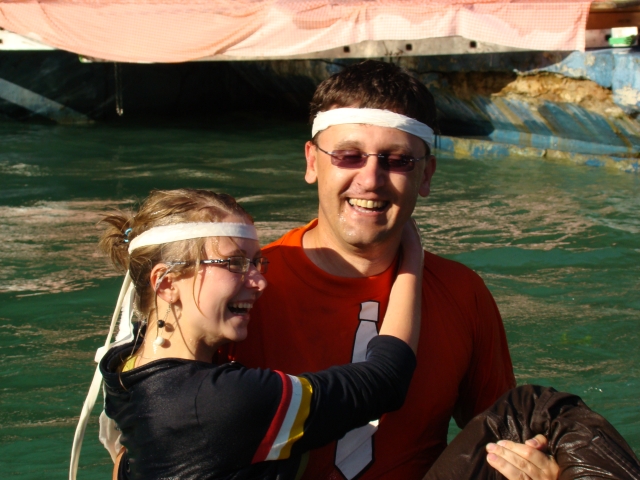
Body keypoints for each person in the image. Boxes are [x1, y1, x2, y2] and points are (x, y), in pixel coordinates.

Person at [225, 60, 639, 479]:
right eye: (349, 156)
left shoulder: (461, 292)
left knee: (547, 413)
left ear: (426, 175)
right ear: (313, 162)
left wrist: (537, 468)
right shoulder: (244, 288)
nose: (371, 179)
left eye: (398, 160)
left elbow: (502, 430)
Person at [96, 188, 425, 480]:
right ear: (167, 283)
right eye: (234, 263)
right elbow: (386, 381)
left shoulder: (122, 368)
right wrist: (412, 258)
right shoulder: (224, 401)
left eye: (257, 262)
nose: (260, 281)